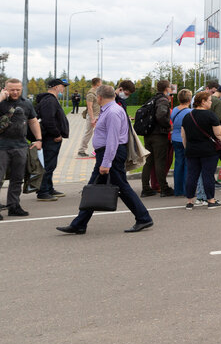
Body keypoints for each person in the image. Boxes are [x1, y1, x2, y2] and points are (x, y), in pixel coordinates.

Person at [56, 84, 154, 235]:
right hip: (107, 154)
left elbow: (113, 140)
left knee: (121, 186)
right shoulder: (109, 110)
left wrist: (106, 163)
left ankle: (143, 217)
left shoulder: (113, 112)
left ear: (99, 97)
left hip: (111, 155)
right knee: (93, 187)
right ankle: (79, 224)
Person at [0, 78, 41, 221]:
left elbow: (33, 121)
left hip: (20, 146)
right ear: (5, 89)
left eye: (18, 89)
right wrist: (0, 98)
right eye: (12, 89)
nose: (15, 92)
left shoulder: (26, 103)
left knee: (17, 178)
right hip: (0, 147)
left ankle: (14, 206)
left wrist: (38, 139)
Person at [181, 90, 221, 209]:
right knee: (207, 175)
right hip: (208, 150)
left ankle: (189, 201)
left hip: (192, 150)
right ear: (203, 102)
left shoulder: (188, 116)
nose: (210, 103)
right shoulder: (210, 115)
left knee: (192, 175)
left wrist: (187, 147)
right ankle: (211, 200)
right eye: (209, 101)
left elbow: (183, 135)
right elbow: (219, 133)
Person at [33, 77, 71, 201]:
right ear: (56, 87)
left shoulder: (50, 100)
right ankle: (43, 191)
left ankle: (49, 188)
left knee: (51, 164)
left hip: (50, 137)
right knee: (48, 165)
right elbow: (48, 120)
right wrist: (56, 134)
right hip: (50, 138)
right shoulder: (49, 100)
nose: (63, 89)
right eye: (62, 87)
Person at [140, 79, 175, 197]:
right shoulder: (163, 100)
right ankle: (164, 188)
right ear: (167, 89)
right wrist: (168, 125)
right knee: (160, 161)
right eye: (170, 87)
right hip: (159, 135)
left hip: (148, 134)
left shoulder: (152, 99)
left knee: (148, 162)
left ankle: (145, 188)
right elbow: (160, 115)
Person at [169, 89, 193, 196]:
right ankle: (186, 189)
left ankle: (177, 189)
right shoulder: (189, 112)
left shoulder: (174, 109)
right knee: (188, 164)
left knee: (178, 164)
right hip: (185, 139)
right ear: (189, 99)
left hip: (175, 138)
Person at [76, 77, 102, 157]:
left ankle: (97, 150)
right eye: (101, 82)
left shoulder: (97, 92)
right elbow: (89, 107)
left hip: (98, 115)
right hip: (93, 115)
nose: (101, 84)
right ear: (97, 83)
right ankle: (81, 150)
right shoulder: (91, 94)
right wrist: (92, 118)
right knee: (88, 133)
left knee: (99, 133)